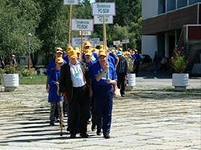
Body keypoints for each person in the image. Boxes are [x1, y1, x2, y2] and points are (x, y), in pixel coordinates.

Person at [59, 50, 89, 138]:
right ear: (69, 58)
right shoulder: (65, 67)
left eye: (74, 58)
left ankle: (83, 131)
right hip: (72, 91)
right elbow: (62, 80)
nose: (73, 59)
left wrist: (89, 87)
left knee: (84, 112)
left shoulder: (82, 65)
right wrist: (62, 90)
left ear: (77, 57)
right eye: (71, 58)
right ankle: (73, 131)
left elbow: (87, 76)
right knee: (73, 113)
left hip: (83, 90)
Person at [89, 48, 117, 139]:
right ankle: (99, 127)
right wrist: (104, 70)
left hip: (108, 89)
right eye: (100, 57)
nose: (102, 58)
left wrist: (113, 83)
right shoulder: (94, 66)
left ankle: (106, 131)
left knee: (108, 112)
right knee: (98, 112)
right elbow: (97, 79)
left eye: (104, 57)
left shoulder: (111, 65)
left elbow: (115, 79)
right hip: (98, 90)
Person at [47, 57, 64, 126]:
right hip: (53, 91)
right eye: (58, 63)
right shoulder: (52, 71)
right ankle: (51, 120)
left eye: (61, 63)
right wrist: (55, 82)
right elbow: (49, 80)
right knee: (53, 107)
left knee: (60, 107)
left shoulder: (62, 72)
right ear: (56, 63)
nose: (60, 64)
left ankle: (61, 121)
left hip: (60, 92)